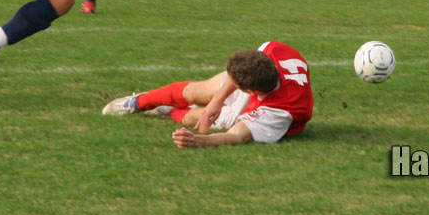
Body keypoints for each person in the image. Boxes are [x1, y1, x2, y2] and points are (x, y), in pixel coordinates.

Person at [102, 41, 313, 148]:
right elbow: (240, 72)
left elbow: (236, 136)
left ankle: (167, 110)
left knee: (199, 118)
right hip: (265, 88)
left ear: (249, 91)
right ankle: (140, 101)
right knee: (198, 92)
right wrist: (216, 101)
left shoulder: (278, 112)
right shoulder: (271, 49)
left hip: (270, 109)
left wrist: (197, 140)